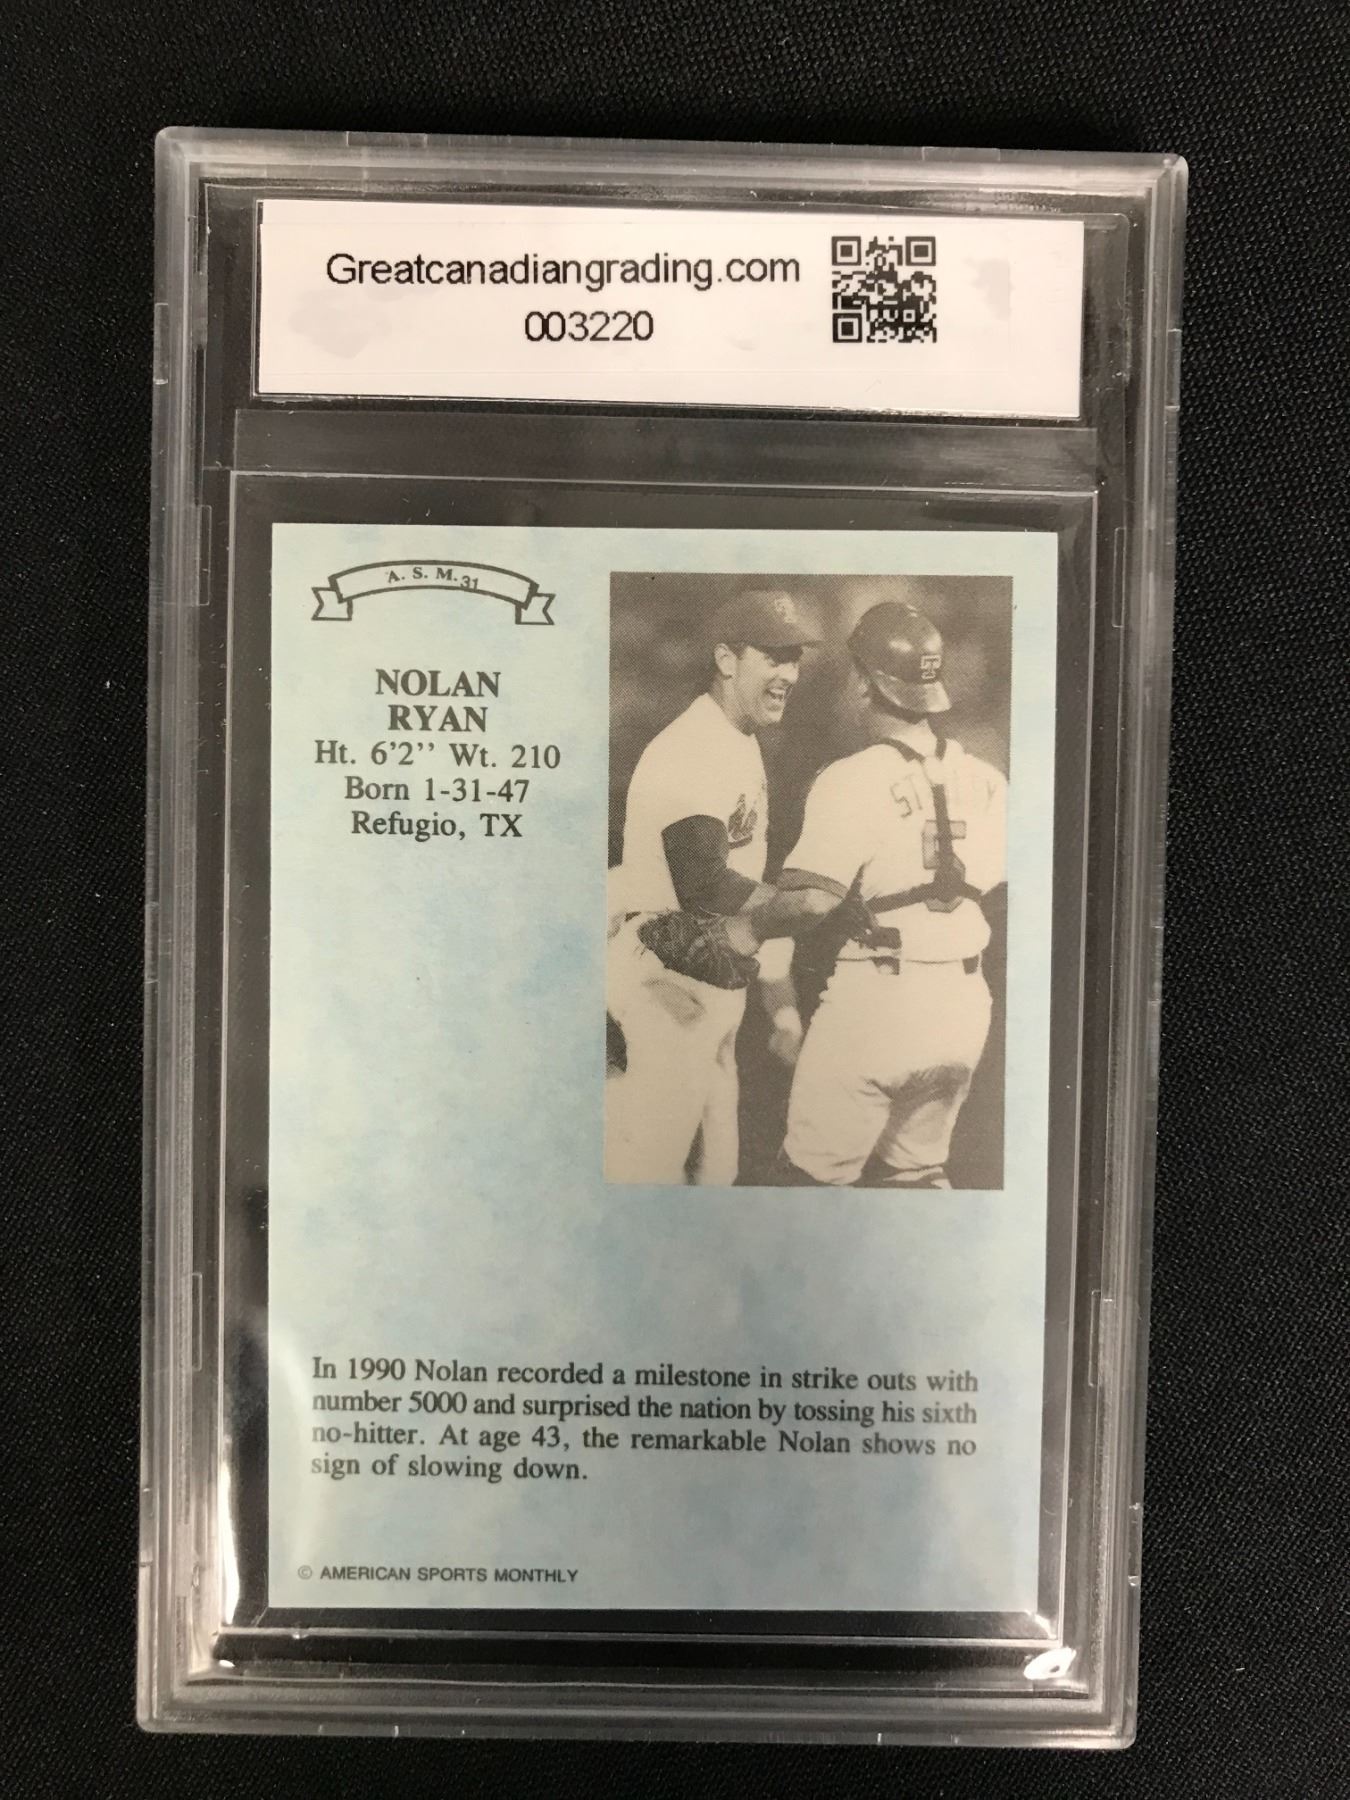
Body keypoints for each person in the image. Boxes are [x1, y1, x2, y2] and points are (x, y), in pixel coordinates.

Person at [750, 600, 1007, 1188]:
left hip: (879, 998)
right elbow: (991, 886)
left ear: (865, 684)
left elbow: (810, 901)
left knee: (806, 1184)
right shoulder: (991, 780)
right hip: (964, 1004)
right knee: (917, 1172)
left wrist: (744, 929)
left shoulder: (851, 777)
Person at [605, 589, 819, 1185]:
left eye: (795, 659)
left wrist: (781, 1005)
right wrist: (799, 908)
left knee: (714, 1179)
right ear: (726, 659)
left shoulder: (738, 741)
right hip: (663, 989)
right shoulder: (692, 746)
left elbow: (745, 890)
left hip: (711, 996)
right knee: (645, 1178)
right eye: (773, 657)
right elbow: (703, 882)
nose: (789, 674)